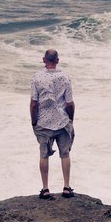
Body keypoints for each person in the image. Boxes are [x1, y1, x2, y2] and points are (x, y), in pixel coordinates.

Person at [30, 49, 75, 200]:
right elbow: (69, 103)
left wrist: (33, 121)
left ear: (44, 60)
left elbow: (34, 103)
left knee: (44, 155)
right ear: (57, 60)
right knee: (65, 154)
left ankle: (45, 189)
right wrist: (70, 119)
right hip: (62, 121)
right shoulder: (65, 77)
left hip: (43, 122)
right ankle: (67, 187)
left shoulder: (37, 77)